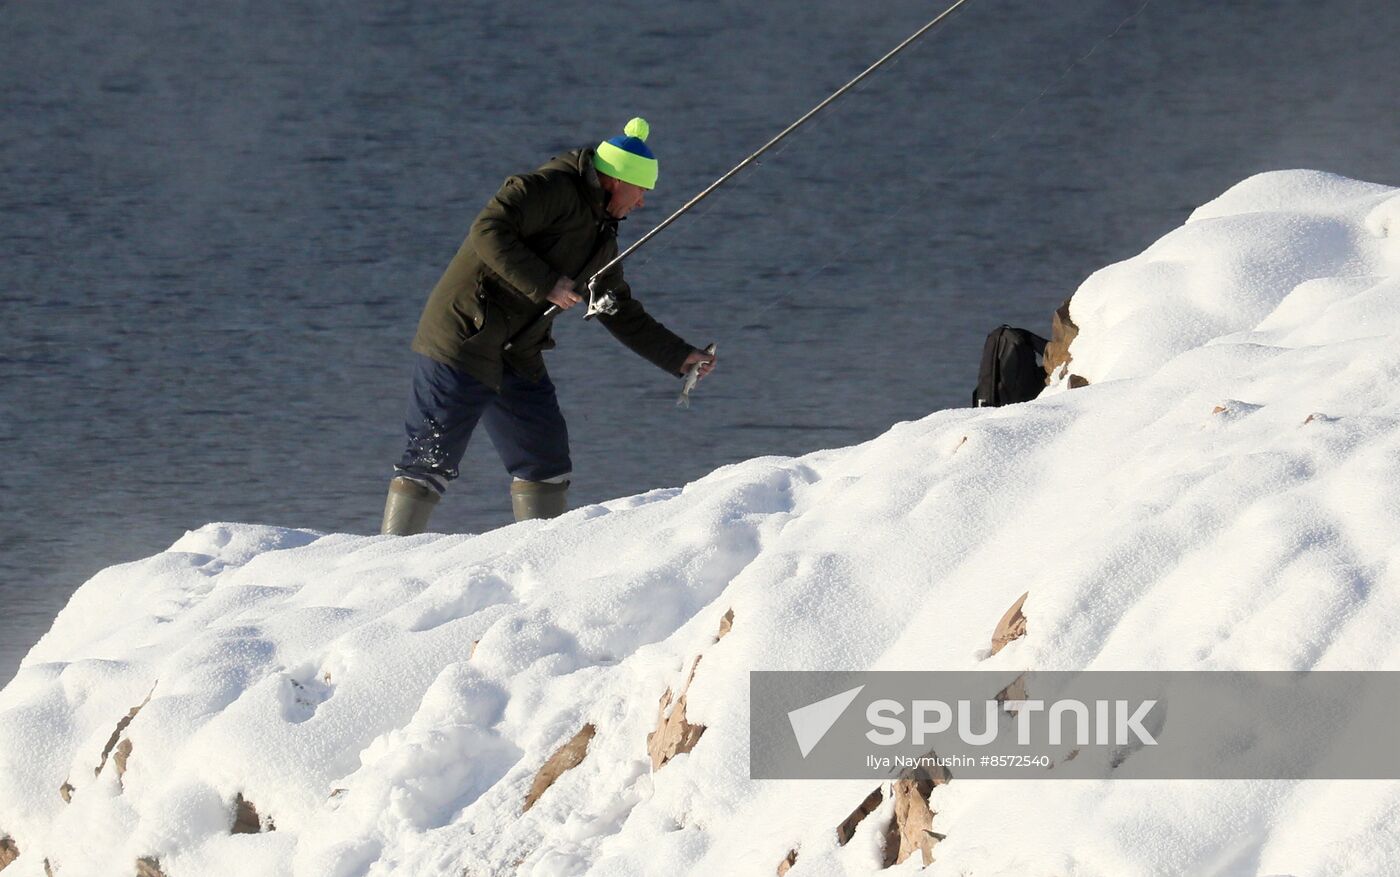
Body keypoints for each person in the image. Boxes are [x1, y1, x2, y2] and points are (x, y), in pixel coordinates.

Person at [380, 118, 717, 535]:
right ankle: (387, 562)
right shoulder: (547, 188)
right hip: (463, 338)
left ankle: (542, 562)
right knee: (430, 459)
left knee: (546, 462)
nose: (643, 202)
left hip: (516, 351)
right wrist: (546, 283)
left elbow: (616, 308)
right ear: (615, 180)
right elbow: (488, 230)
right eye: (641, 191)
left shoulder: (602, 235)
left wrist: (680, 356)